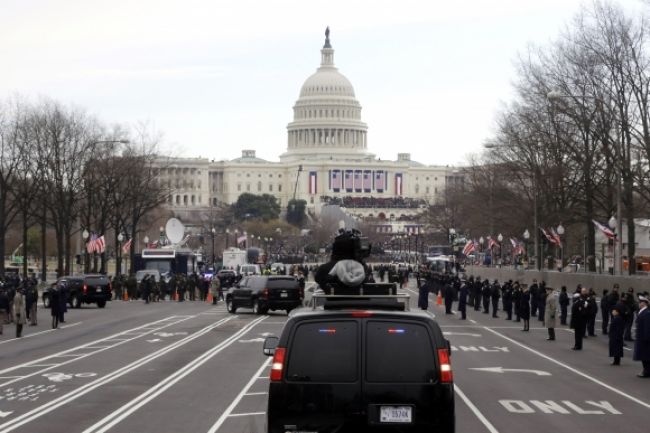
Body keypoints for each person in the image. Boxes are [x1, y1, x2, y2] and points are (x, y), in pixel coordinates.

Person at [633, 296, 650, 378]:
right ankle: (646, 370)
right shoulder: (642, 312)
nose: (639, 303)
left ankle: (646, 371)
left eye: (640, 302)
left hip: (644, 338)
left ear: (644, 303)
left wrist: (646, 338)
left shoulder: (647, 313)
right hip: (640, 337)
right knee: (643, 355)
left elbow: (647, 327)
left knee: (645, 355)